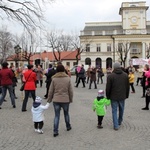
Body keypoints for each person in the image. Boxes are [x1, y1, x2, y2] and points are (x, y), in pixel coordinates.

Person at [47, 64, 73, 137]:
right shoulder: (67, 78)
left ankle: (55, 131)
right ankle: (68, 126)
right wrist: (70, 99)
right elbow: (70, 91)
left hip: (56, 99)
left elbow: (51, 90)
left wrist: (49, 99)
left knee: (57, 116)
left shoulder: (54, 79)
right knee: (66, 113)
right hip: (65, 99)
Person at [106, 62, 129, 130]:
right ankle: (119, 121)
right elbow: (127, 86)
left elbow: (108, 88)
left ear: (114, 67)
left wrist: (108, 96)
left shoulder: (110, 76)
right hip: (122, 96)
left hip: (113, 96)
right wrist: (126, 95)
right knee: (121, 109)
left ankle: (116, 125)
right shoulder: (125, 75)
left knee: (114, 110)